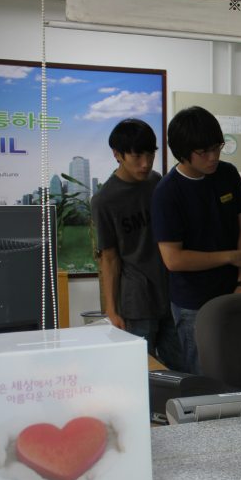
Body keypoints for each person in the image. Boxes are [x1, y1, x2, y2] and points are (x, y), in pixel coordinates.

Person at [151, 106, 241, 374]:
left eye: (217, 147)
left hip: (234, 290)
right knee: (204, 372)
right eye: (204, 152)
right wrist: (230, 257)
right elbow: (173, 259)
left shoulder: (227, 174)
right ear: (182, 153)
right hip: (194, 302)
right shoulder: (167, 193)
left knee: (238, 365)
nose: (213, 157)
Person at [91, 118, 183, 371]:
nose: (145, 164)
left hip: (171, 292)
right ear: (118, 155)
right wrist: (112, 309)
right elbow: (109, 258)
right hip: (137, 299)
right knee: (141, 371)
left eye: (150, 154)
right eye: (136, 156)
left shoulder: (157, 183)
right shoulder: (104, 200)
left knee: (180, 368)